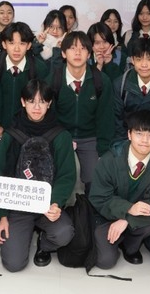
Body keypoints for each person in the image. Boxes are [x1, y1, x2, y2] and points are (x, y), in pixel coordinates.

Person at [0, 80, 76, 271]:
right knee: (13, 264)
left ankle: (44, 244)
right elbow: (0, 174)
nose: (37, 107)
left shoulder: (61, 136)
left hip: (47, 205)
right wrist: (3, 216)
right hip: (18, 206)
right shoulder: (11, 134)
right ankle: (24, 233)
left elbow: (66, 175)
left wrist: (55, 203)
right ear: (23, 102)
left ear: (49, 103)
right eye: (31, 101)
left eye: (42, 101)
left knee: (64, 233)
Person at [90, 110, 150, 270]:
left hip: (142, 218)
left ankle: (130, 246)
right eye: (139, 134)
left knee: (149, 225)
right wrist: (128, 208)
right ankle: (118, 239)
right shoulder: (109, 160)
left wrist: (128, 219)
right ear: (129, 134)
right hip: (108, 216)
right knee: (105, 262)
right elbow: (99, 197)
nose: (144, 140)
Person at [49, 31, 115, 192]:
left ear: (89, 53)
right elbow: (49, 117)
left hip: (90, 138)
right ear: (63, 53)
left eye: (83, 48)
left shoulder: (101, 81)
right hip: (61, 136)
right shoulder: (53, 80)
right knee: (59, 180)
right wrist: (58, 139)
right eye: (72, 48)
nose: (78, 53)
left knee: (95, 181)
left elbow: (106, 119)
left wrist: (103, 150)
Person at [0, 21, 48, 158]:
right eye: (11, 43)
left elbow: (44, 104)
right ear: (4, 44)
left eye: (22, 43)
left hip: (29, 130)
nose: (16, 49)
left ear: (29, 45)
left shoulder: (39, 69)